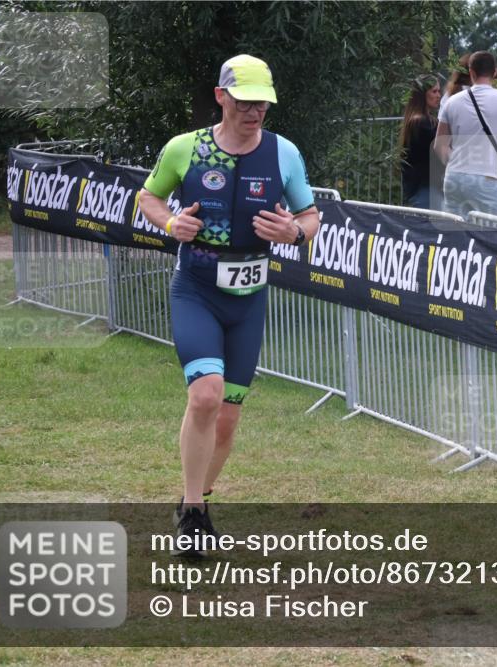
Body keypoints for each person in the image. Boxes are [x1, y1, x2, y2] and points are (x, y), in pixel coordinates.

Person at [138, 54, 320, 556]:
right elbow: (148, 198)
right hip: (196, 289)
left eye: (262, 103)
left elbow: (309, 214)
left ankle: (195, 499)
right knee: (205, 395)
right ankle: (194, 516)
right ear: (221, 97)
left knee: (227, 418)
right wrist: (172, 223)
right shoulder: (186, 149)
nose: (255, 111)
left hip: (250, 300)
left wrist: (295, 233)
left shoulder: (284, 154)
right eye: (244, 102)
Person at [434, 51, 497, 220]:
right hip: (488, 176)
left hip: (454, 177)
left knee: (457, 237)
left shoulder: (451, 101)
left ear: (471, 72)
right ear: (495, 72)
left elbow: (439, 145)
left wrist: (454, 165)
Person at [399, 75, 443, 210]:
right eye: (434, 91)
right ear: (422, 95)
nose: (439, 96)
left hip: (423, 188)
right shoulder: (421, 122)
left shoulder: (420, 120)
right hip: (424, 189)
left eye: (439, 91)